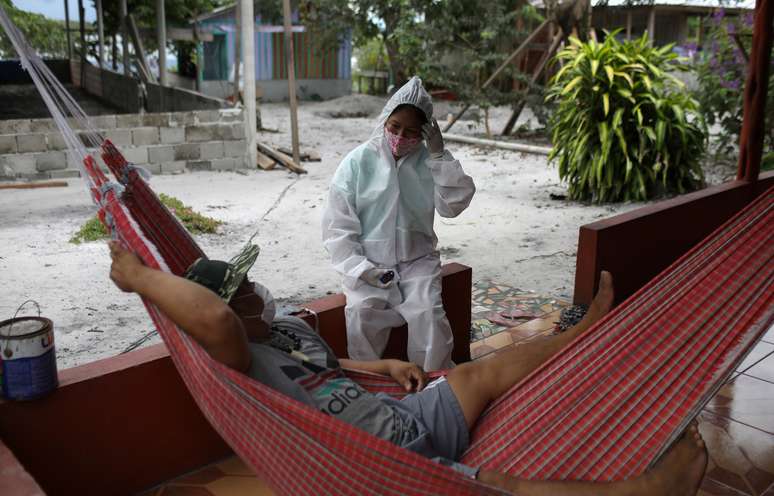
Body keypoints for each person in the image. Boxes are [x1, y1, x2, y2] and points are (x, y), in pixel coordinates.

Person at [108, 240, 708, 496]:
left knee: (475, 373)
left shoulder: (284, 328)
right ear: (229, 310)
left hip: (399, 415)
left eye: (246, 285)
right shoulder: (238, 357)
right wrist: (135, 276)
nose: (252, 294)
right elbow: (211, 323)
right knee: (492, 487)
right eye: (240, 294)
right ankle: (646, 491)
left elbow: (321, 367)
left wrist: (385, 364)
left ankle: (583, 334)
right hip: (374, 464)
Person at [322, 76, 476, 371]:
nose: (401, 137)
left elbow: (453, 205)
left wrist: (438, 156)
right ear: (385, 119)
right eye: (395, 127)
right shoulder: (357, 163)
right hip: (370, 265)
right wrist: (361, 269)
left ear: (425, 133)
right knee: (361, 316)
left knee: (429, 316)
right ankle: (371, 387)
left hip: (417, 261)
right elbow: (338, 228)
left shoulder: (429, 160)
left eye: (412, 132)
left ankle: (434, 387)